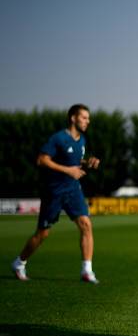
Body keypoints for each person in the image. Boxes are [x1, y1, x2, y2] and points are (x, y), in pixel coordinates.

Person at [11, 104, 101, 284]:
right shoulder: (58, 138)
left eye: (88, 118)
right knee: (42, 234)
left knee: (86, 224)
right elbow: (41, 160)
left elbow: (75, 162)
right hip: (54, 191)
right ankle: (19, 263)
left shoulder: (81, 140)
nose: (87, 121)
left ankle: (87, 271)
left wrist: (87, 163)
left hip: (73, 190)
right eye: (84, 117)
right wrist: (68, 171)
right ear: (73, 118)